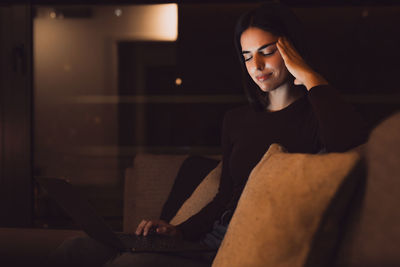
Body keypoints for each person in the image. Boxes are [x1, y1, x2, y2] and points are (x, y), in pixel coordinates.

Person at [49, 2, 367, 266]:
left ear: (292, 49)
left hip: (240, 247)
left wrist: (309, 75)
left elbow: (347, 145)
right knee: (74, 250)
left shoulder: (318, 116)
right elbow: (223, 198)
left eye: (266, 51)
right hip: (205, 241)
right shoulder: (236, 120)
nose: (255, 65)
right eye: (246, 56)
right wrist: (178, 231)